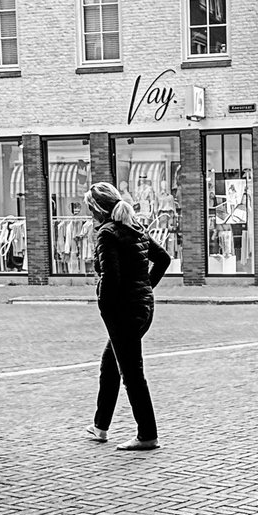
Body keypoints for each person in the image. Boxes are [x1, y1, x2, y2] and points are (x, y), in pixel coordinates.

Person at [84, 181, 171, 451]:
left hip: (123, 312)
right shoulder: (134, 227)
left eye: (89, 209)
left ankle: (147, 435)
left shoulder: (108, 233)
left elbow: (110, 277)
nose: (89, 214)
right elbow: (164, 259)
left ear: (98, 210)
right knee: (110, 365)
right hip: (143, 307)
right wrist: (145, 288)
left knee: (132, 374)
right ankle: (100, 426)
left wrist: (104, 306)